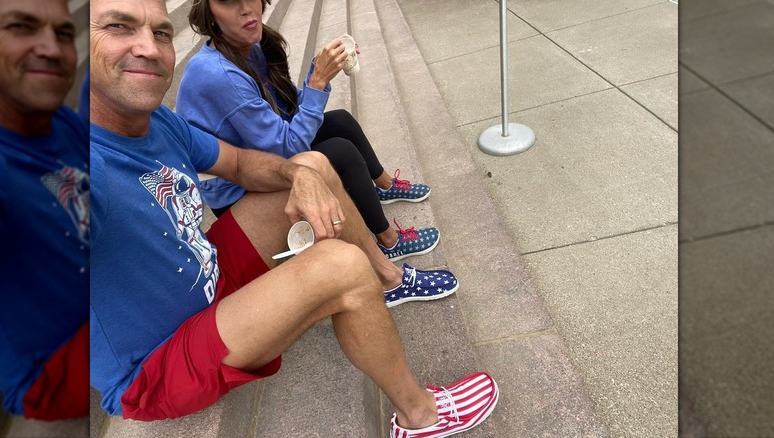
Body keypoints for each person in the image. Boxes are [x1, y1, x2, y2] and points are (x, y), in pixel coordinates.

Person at [89, 0, 498, 435]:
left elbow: (240, 162)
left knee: (314, 165)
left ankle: (388, 278)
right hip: (156, 366)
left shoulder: (158, 121)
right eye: (118, 27)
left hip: (208, 272)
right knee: (341, 267)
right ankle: (420, 416)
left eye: (161, 32)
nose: (149, 48)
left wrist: (297, 175)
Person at [175, 0, 438, 262]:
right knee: (341, 153)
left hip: (260, 153)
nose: (246, 8)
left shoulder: (249, 46)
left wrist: (321, 68)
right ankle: (389, 243)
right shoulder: (218, 74)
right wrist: (317, 82)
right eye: (228, 1)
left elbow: (288, 108)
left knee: (340, 121)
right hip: (236, 190)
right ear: (208, 12)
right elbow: (288, 148)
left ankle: (385, 186)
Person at [0, 0, 89, 421]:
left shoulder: (56, 119)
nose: (52, 48)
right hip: (53, 370)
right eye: (21, 27)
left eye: (64, 33)